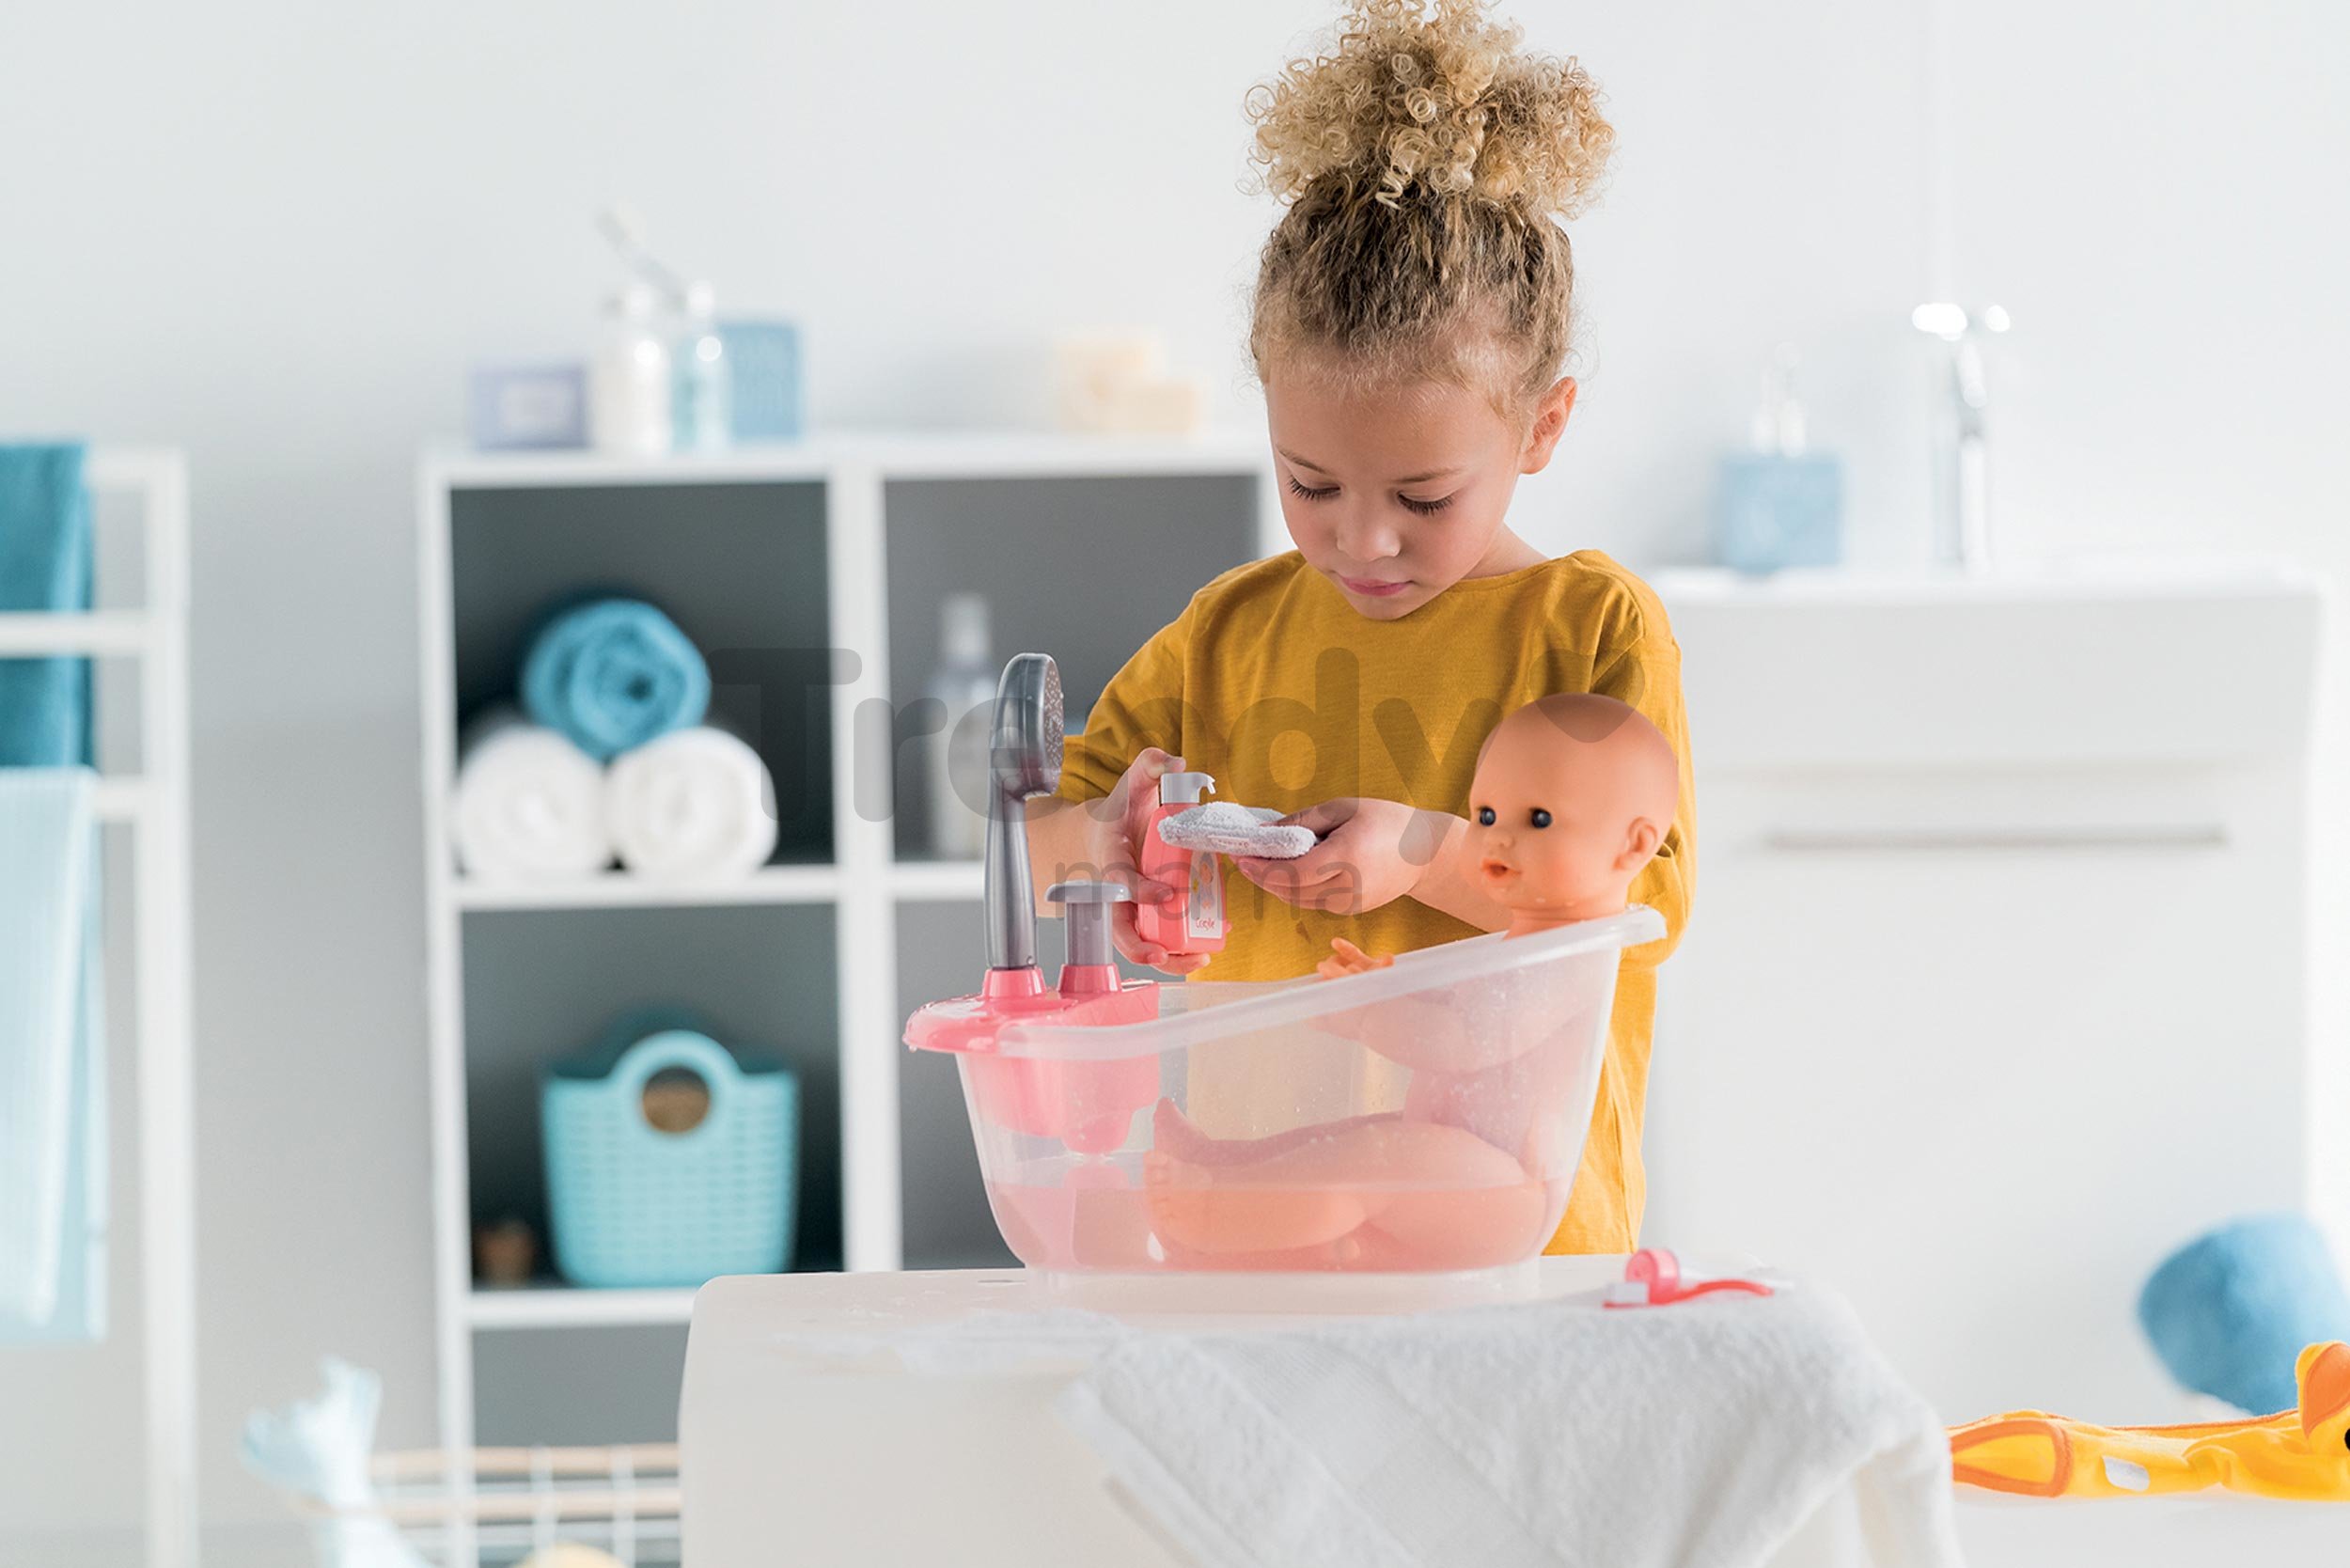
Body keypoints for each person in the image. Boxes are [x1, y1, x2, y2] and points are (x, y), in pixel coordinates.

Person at [1025, 0, 1693, 1254]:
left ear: (1541, 427)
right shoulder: (1228, 633)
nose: (1360, 541)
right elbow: (1039, 836)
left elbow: (1641, 901)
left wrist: (1430, 856)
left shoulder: (1587, 629)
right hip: (1252, 1232)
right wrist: (1109, 848)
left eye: (1423, 499)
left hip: (1514, 1245)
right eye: (1311, 483)